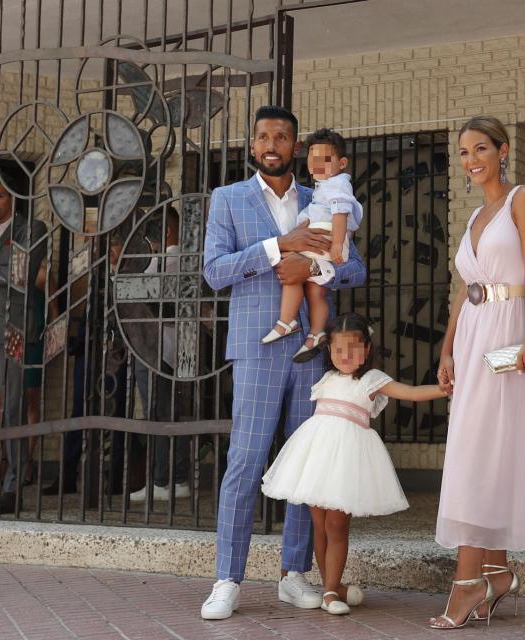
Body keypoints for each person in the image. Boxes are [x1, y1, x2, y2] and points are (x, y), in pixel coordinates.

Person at [200, 105, 367, 621]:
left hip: (312, 351)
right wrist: (278, 249)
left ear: (296, 147)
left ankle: (294, 574)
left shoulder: (327, 195)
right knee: (245, 463)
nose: (273, 143)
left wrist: (321, 269)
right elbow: (214, 271)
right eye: (264, 136)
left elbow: (355, 268)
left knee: (306, 470)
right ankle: (227, 578)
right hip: (257, 347)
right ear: (253, 146)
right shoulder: (227, 199)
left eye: (283, 136)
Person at [430, 116, 525, 630]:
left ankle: (466, 584)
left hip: (508, 335)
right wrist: (447, 347)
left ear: (502, 151)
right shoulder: (475, 217)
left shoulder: (522, 199)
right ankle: (496, 573)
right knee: (482, 450)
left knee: (481, 453)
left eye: (480, 148)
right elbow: (466, 288)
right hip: (473, 335)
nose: (471, 159)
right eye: (463, 152)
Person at [261, 312, 448, 614]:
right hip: (318, 456)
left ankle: (333, 592)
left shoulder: (372, 380)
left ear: (367, 349)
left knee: (337, 524)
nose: (345, 356)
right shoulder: (327, 378)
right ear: (329, 350)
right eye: (338, 350)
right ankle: (331, 587)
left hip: (346, 460)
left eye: (353, 349)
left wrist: (445, 389)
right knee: (319, 526)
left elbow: (411, 393)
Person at [0, 171, 47, 515]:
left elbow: (20, 275)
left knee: (13, 406)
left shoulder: (32, 229)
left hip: (11, 326)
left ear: (13, 197)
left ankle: (13, 485)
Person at [261, 129, 363, 364]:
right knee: (316, 291)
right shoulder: (323, 188)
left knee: (291, 268)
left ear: (342, 162)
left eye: (325, 160)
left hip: (324, 238)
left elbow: (340, 213)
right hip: (324, 238)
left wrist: (337, 244)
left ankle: (287, 320)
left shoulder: (337, 185)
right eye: (312, 160)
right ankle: (316, 333)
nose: (317, 165)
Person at [129, 206, 191, 502]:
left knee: (159, 412)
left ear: (164, 232)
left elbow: (138, 293)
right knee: (169, 412)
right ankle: (172, 478)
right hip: (174, 348)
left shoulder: (170, 259)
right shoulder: (181, 260)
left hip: (157, 348)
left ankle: (165, 479)